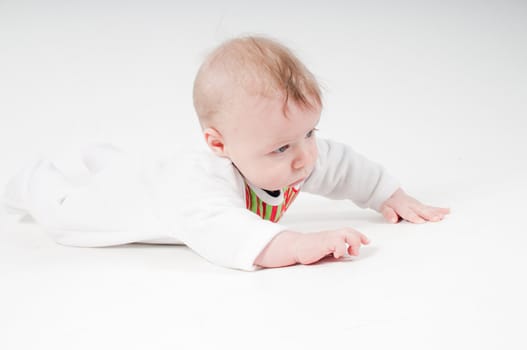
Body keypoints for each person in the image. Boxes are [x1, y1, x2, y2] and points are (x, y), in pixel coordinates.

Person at [3, 36, 449, 271]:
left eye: (310, 133)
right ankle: (28, 179)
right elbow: (224, 232)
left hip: (156, 178)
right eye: (282, 146)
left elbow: (344, 165)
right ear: (219, 145)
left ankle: (104, 158)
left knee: (129, 168)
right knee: (62, 210)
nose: (304, 158)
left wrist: (391, 195)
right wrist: (297, 244)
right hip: (120, 205)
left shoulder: (290, 153)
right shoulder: (202, 187)